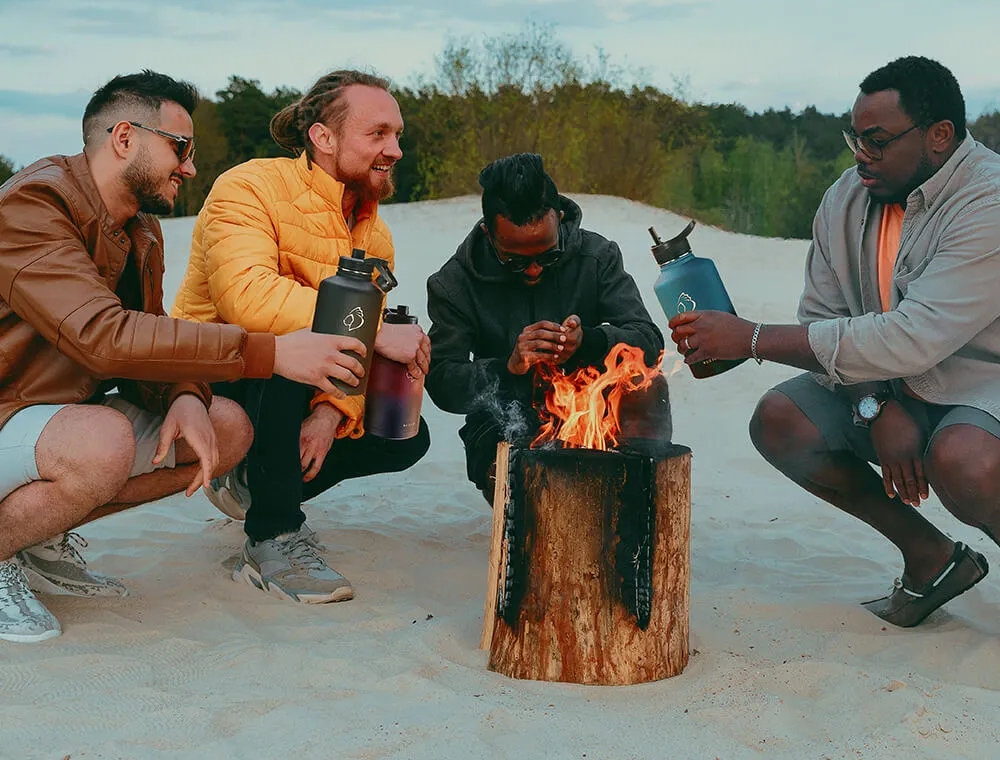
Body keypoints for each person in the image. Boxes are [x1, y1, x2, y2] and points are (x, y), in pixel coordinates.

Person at [0, 70, 370, 643]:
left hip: (47, 419)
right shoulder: (32, 205)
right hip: (13, 411)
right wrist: (269, 354)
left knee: (225, 429)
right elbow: (104, 335)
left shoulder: (141, 228)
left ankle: (37, 537)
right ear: (125, 138)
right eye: (181, 147)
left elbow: (150, 337)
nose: (191, 167)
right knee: (102, 441)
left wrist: (187, 393)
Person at [668, 55, 1000, 627]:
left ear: (940, 136)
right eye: (854, 137)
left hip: (981, 386)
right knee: (780, 418)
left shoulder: (988, 201)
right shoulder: (846, 197)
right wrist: (875, 406)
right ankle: (932, 558)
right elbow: (822, 312)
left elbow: (914, 337)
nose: (860, 155)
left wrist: (750, 338)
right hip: (893, 382)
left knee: (961, 462)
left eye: (876, 141)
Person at [172, 69, 430, 605]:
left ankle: (252, 481)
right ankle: (272, 538)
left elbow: (355, 339)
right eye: (378, 134)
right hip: (215, 373)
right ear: (324, 137)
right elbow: (249, 299)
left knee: (402, 431)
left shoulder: (374, 230)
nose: (395, 150)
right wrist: (378, 331)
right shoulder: (248, 187)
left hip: (297, 376)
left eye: (398, 134)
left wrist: (333, 412)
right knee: (293, 350)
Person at [425, 152, 666, 504]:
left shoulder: (597, 257)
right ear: (487, 233)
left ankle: (636, 511)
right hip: (505, 418)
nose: (535, 270)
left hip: (596, 408)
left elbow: (649, 342)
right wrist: (508, 367)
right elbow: (443, 382)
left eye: (548, 256)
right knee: (528, 508)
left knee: (649, 386)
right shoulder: (454, 283)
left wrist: (590, 342)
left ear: (560, 218)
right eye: (516, 261)